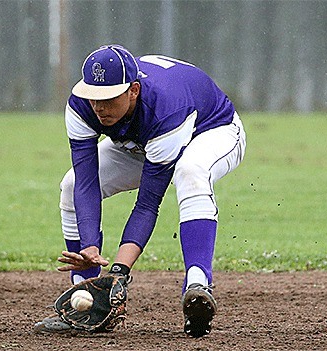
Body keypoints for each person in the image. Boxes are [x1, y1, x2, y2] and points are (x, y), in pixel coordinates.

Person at [36, 44, 246, 337]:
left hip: (210, 129)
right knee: (70, 185)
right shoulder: (81, 105)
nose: (99, 107)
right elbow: (86, 182)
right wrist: (89, 246)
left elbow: (147, 204)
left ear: (133, 90)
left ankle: (198, 283)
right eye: (93, 97)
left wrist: (120, 271)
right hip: (142, 141)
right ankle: (82, 298)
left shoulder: (165, 109)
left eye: (108, 98)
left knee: (190, 172)